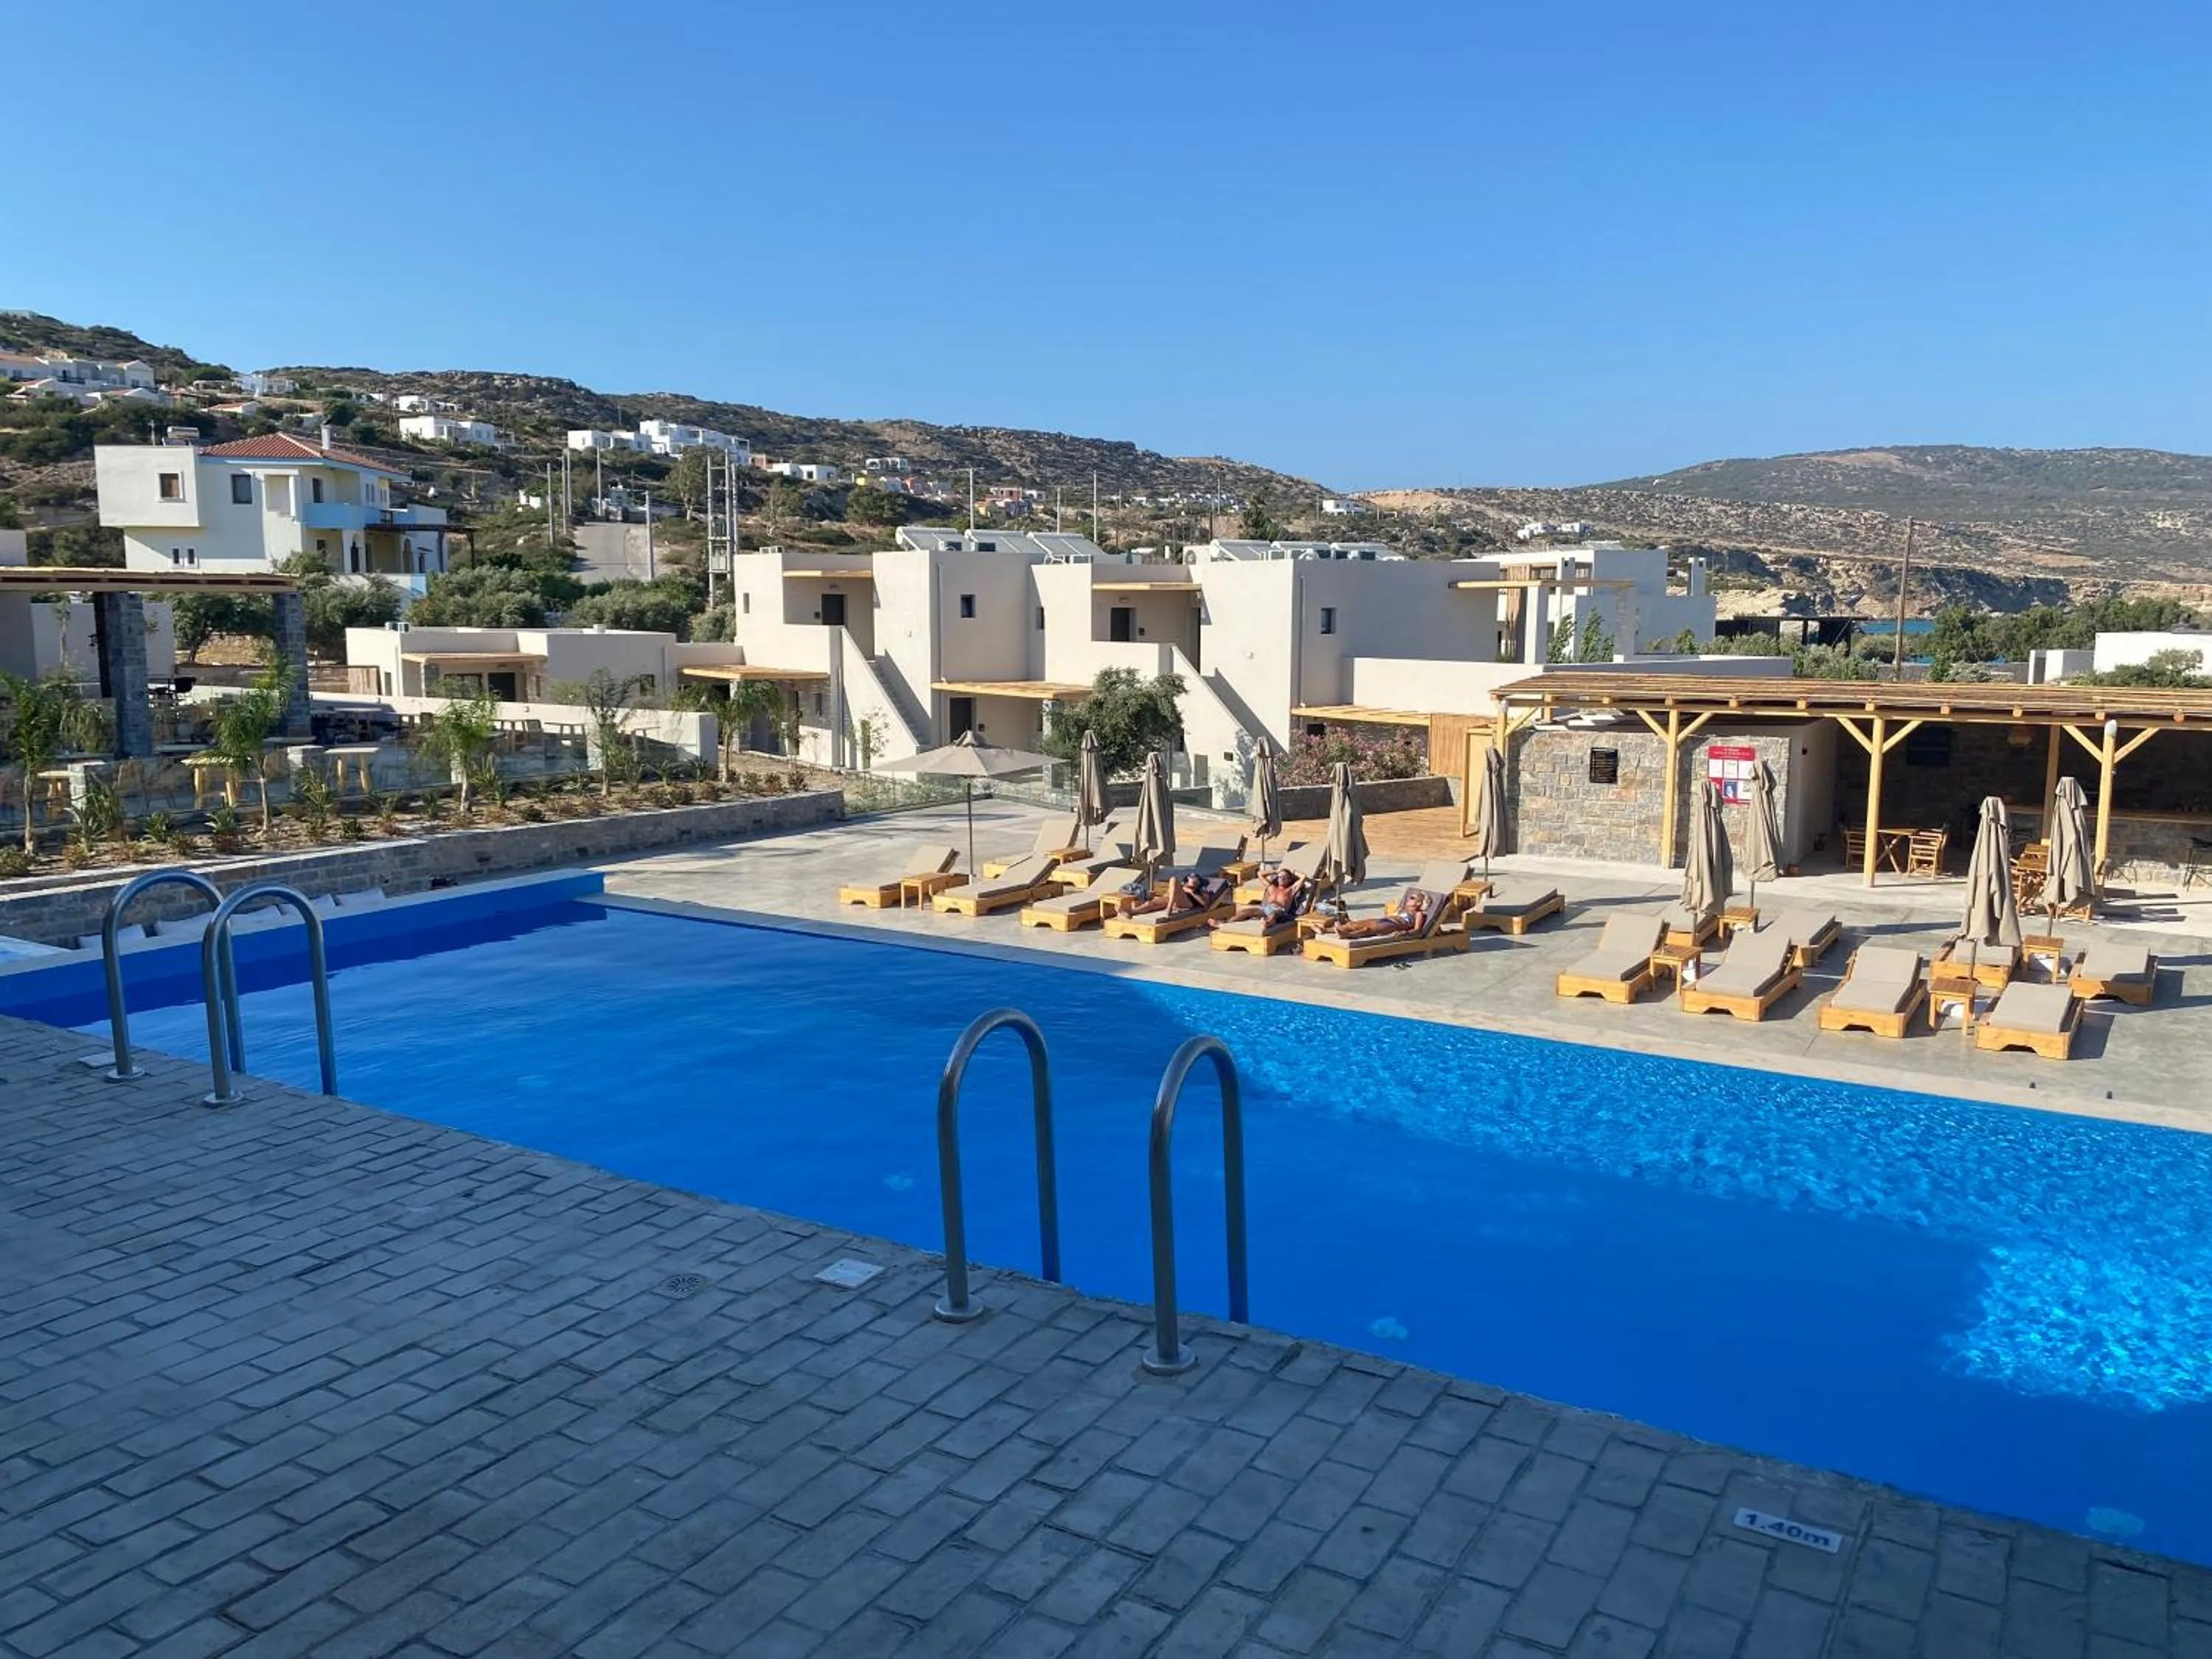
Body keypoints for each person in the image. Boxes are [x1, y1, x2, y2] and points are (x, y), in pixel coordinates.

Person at [1321, 886, 1433, 941]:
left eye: (1412, 898)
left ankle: (1348, 935)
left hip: (1394, 926)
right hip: (1385, 920)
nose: (1409, 898)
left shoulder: (1419, 914)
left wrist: (1405, 933)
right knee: (1353, 925)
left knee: (1368, 930)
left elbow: (1418, 930)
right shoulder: (1403, 909)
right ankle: (1325, 930)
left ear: (1419, 903)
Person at [1212, 866, 1306, 929]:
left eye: (1284, 878)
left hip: (1280, 911)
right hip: (1265, 909)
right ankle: (1225, 924)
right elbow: (1260, 874)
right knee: (1245, 911)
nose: (1281, 879)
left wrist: (1293, 872)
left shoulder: (1290, 890)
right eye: (1280, 877)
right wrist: (1276, 871)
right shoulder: (1271, 887)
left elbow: (1303, 877)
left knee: (1273, 915)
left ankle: (1267, 924)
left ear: (1289, 880)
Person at [1130, 871, 1230, 917]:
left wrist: (1192, 892)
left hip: (1188, 903)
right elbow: (1169, 893)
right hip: (1172, 900)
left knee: (1173, 879)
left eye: (1197, 880)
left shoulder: (1202, 890)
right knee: (1150, 904)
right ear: (1187, 880)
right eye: (1192, 879)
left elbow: (1205, 905)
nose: (1195, 881)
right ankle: (1130, 912)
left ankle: (1169, 908)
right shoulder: (1181, 886)